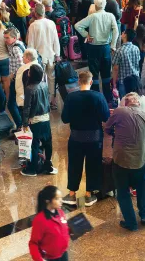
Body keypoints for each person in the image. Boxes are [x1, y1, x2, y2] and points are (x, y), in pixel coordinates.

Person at [105, 93, 145, 231]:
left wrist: (117, 135)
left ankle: (131, 222)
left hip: (120, 159)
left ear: (126, 103)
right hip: (140, 160)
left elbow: (107, 128)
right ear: (138, 103)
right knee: (141, 187)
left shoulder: (119, 111)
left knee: (122, 192)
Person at [61, 69, 109, 207]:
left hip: (76, 137)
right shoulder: (98, 96)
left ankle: (71, 194)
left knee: (74, 164)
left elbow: (65, 119)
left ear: (78, 81)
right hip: (94, 137)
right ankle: (89, 194)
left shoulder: (71, 97)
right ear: (91, 81)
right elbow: (106, 117)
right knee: (93, 164)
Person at [27, 4, 61, 109]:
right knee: (52, 78)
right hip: (51, 55)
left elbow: (30, 44)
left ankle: (42, 101)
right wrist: (58, 54)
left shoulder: (33, 25)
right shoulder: (51, 23)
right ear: (44, 12)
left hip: (39, 57)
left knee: (39, 80)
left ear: (35, 13)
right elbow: (56, 40)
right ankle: (53, 101)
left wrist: (29, 58)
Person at [29, 186, 70, 261]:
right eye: (57, 199)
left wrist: (74, 230)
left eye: (61, 198)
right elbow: (33, 243)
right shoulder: (40, 220)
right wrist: (39, 259)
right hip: (51, 258)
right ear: (48, 201)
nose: (61, 201)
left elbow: (64, 229)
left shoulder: (60, 212)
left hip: (64, 254)